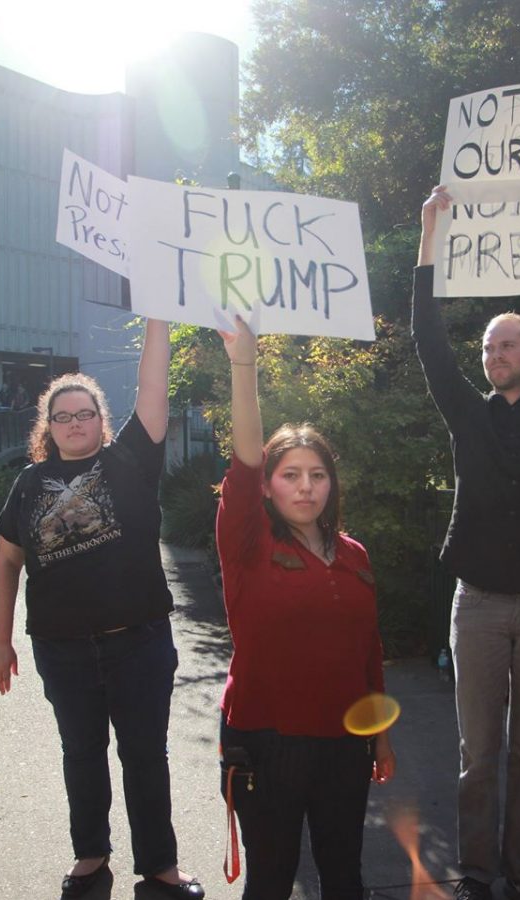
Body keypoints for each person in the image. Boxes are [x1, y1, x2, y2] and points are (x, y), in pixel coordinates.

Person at [0, 320, 205, 900]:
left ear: (101, 421)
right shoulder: (30, 484)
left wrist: (157, 317)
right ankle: (90, 855)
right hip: (62, 649)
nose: (75, 422)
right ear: (48, 426)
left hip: (139, 641)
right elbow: (5, 562)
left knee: (145, 756)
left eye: (85, 413)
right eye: (63, 415)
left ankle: (160, 865)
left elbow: (152, 389)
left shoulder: (131, 461)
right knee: (81, 754)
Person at [412, 186, 520, 900]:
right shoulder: (466, 414)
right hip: (477, 604)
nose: (491, 354)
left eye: (505, 343)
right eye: (486, 346)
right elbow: (426, 335)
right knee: (477, 755)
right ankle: (478, 873)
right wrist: (429, 234)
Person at [215, 315, 396, 900]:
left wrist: (382, 737)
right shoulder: (248, 543)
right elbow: (245, 460)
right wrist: (245, 363)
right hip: (267, 741)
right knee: (271, 880)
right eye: (290, 475)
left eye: (318, 475)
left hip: (346, 743)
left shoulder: (354, 555)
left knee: (345, 875)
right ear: (268, 487)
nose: (305, 486)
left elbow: (368, 648)